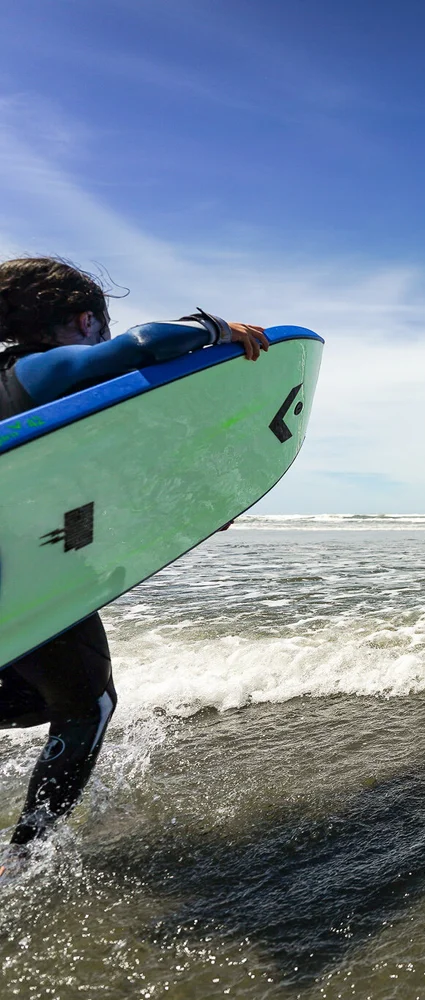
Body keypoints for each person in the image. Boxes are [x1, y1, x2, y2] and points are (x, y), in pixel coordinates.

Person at [0, 257, 268, 876]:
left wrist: (195, 508)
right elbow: (146, 345)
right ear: (84, 320)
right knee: (85, 705)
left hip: (18, 562)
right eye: (99, 328)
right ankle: (25, 859)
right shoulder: (31, 371)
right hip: (24, 581)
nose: (101, 338)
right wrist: (215, 329)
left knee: (39, 696)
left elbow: (72, 495)